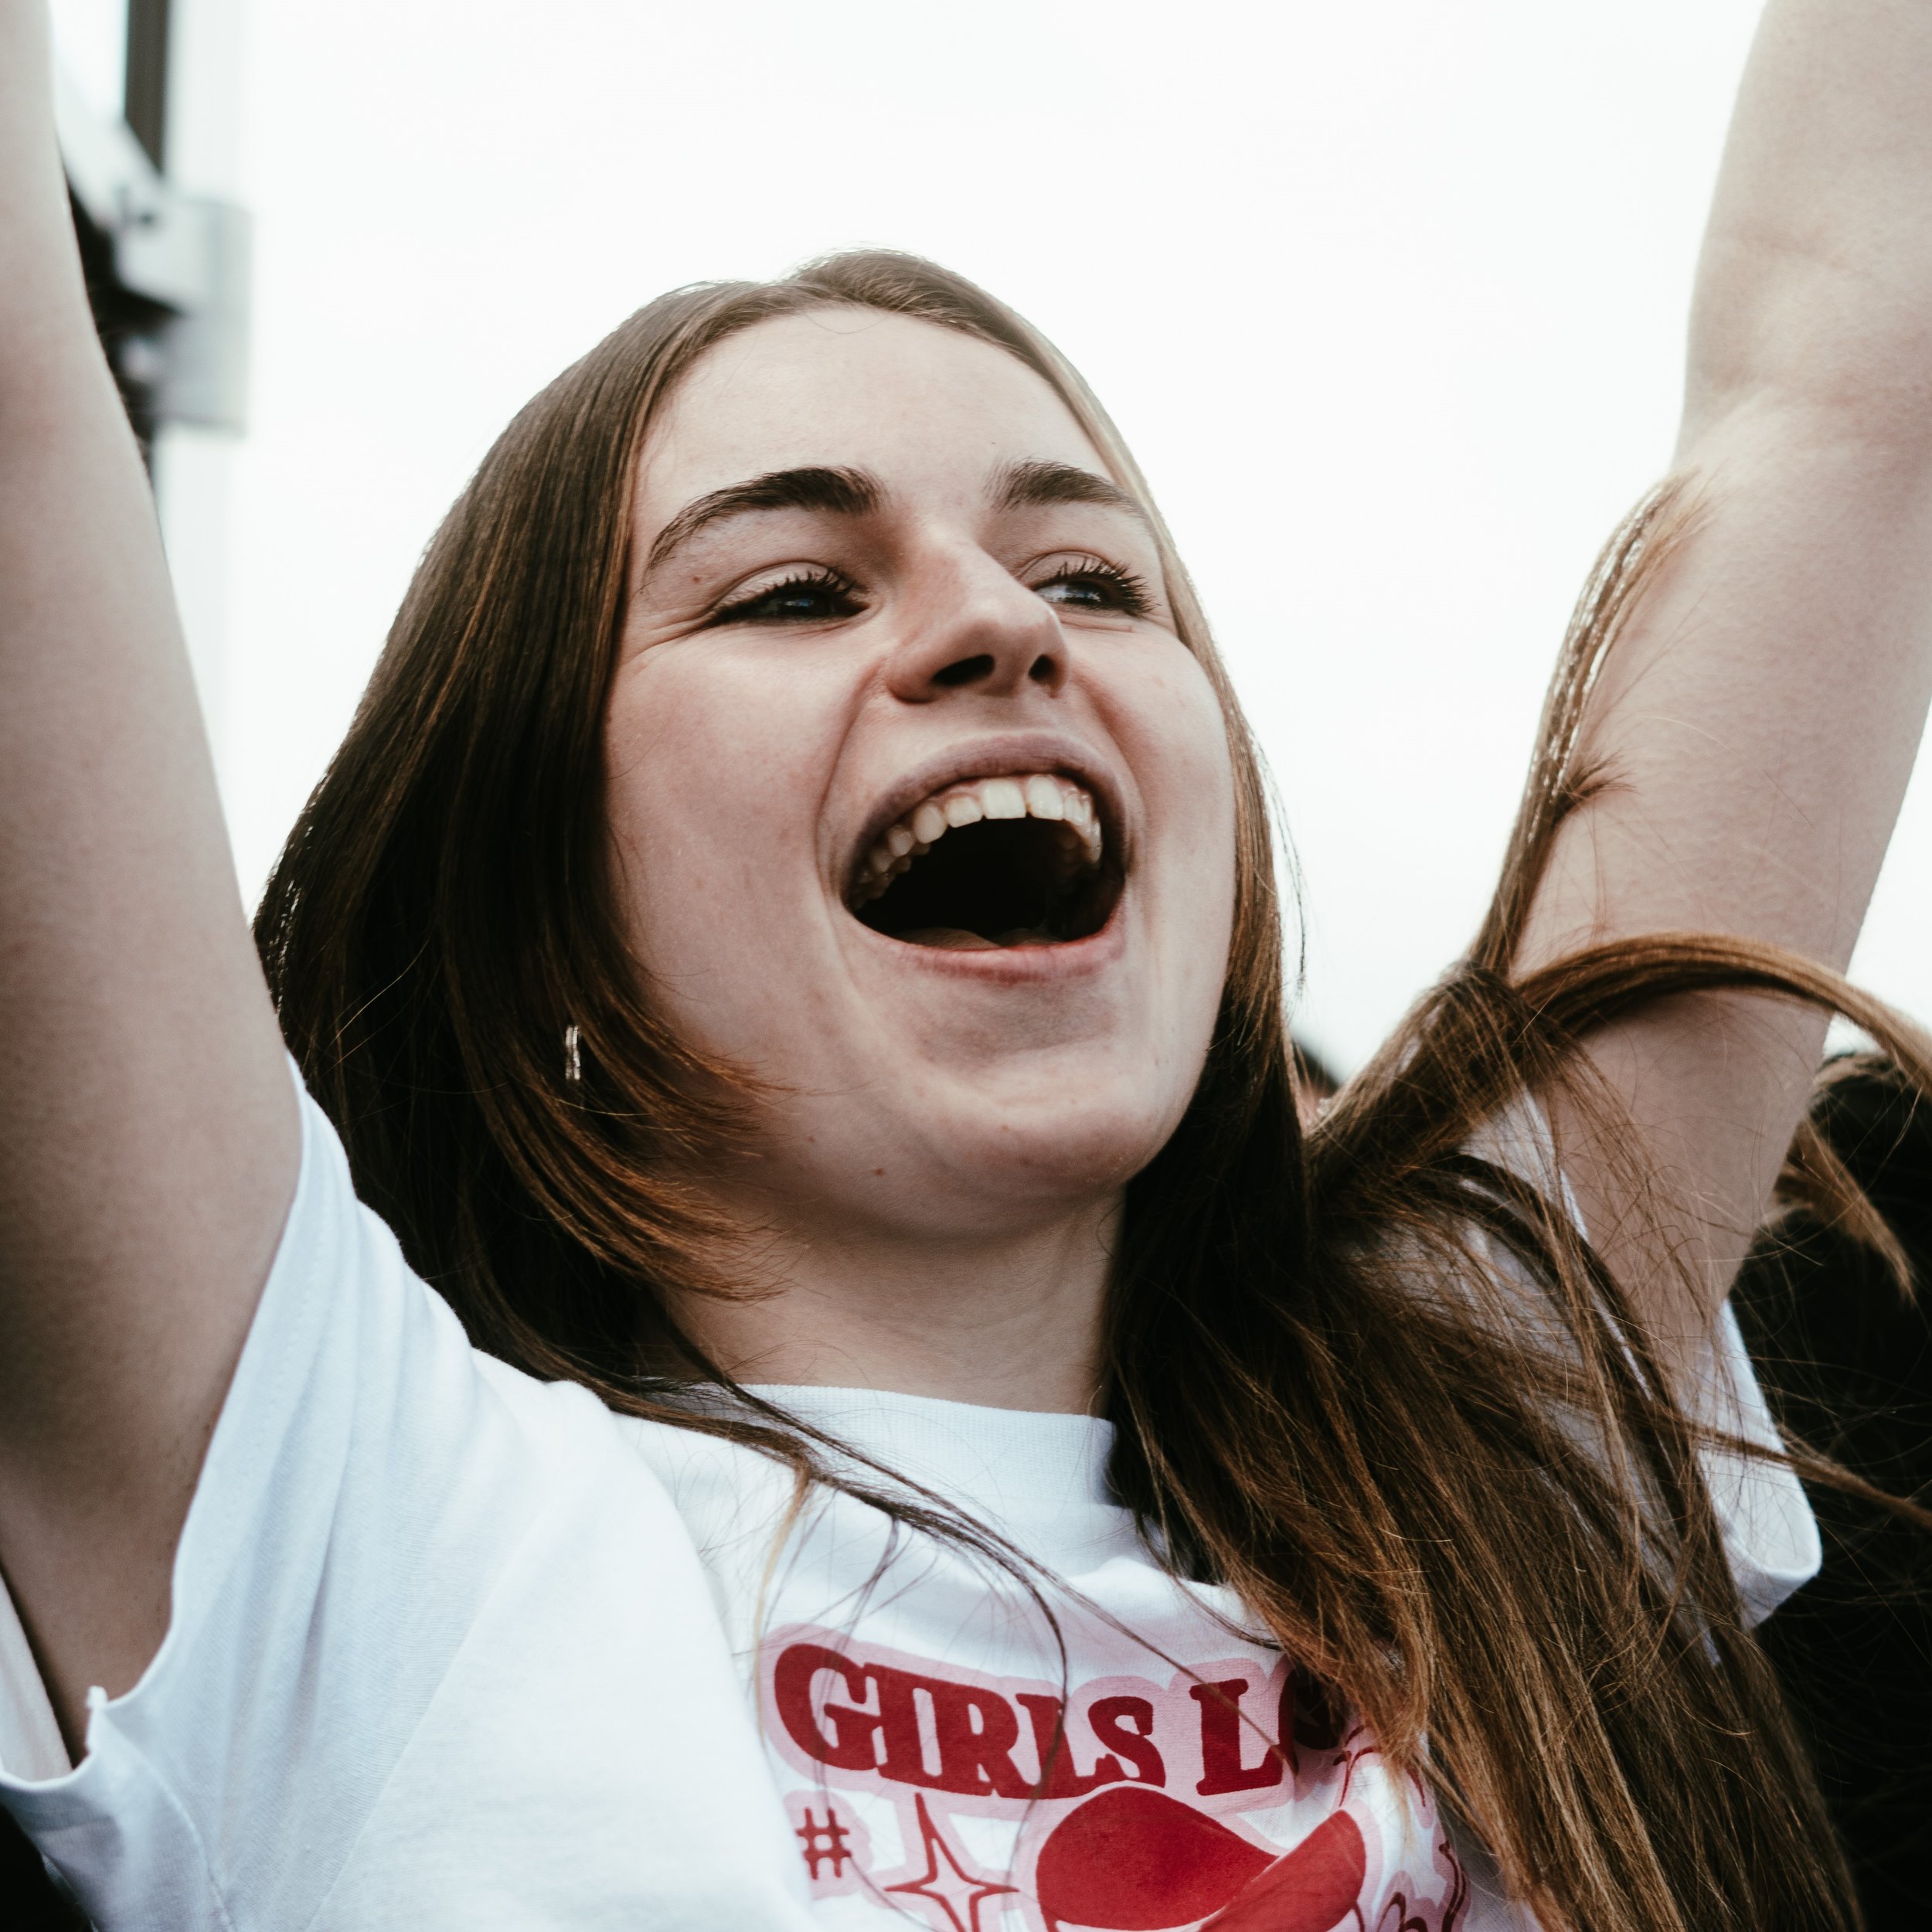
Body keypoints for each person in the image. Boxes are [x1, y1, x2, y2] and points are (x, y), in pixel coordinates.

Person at [2, 0, 1930, 1924]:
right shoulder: (349, 1534)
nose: (1001, 623)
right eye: (791, 589)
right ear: (536, 919)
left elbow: (1840, 383)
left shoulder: (1466, 1439)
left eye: (1091, 577)